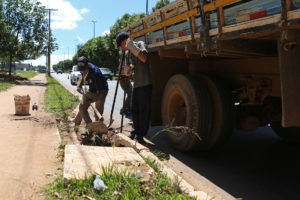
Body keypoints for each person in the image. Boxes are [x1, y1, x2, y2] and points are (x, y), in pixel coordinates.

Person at [116, 32, 152, 144]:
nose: (122, 48)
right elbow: (132, 67)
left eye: (121, 45)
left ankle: (140, 135)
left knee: (143, 111)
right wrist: (129, 71)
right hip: (136, 84)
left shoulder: (139, 44)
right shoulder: (127, 54)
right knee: (134, 110)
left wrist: (132, 47)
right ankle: (135, 131)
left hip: (145, 83)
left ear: (124, 42)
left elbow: (144, 58)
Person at [74, 56, 109, 126]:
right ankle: (89, 125)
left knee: (98, 113)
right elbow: (82, 76)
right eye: (81, 70)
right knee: (82, 108)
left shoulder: (96, 73)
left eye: (84, 70)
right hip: (92, 90)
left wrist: (92, 100)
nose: (82, 72)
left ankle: (98, 128)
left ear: (88, 66)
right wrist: (79, 85)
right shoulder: (84, 68)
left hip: (102, 91)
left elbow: (100, 93)